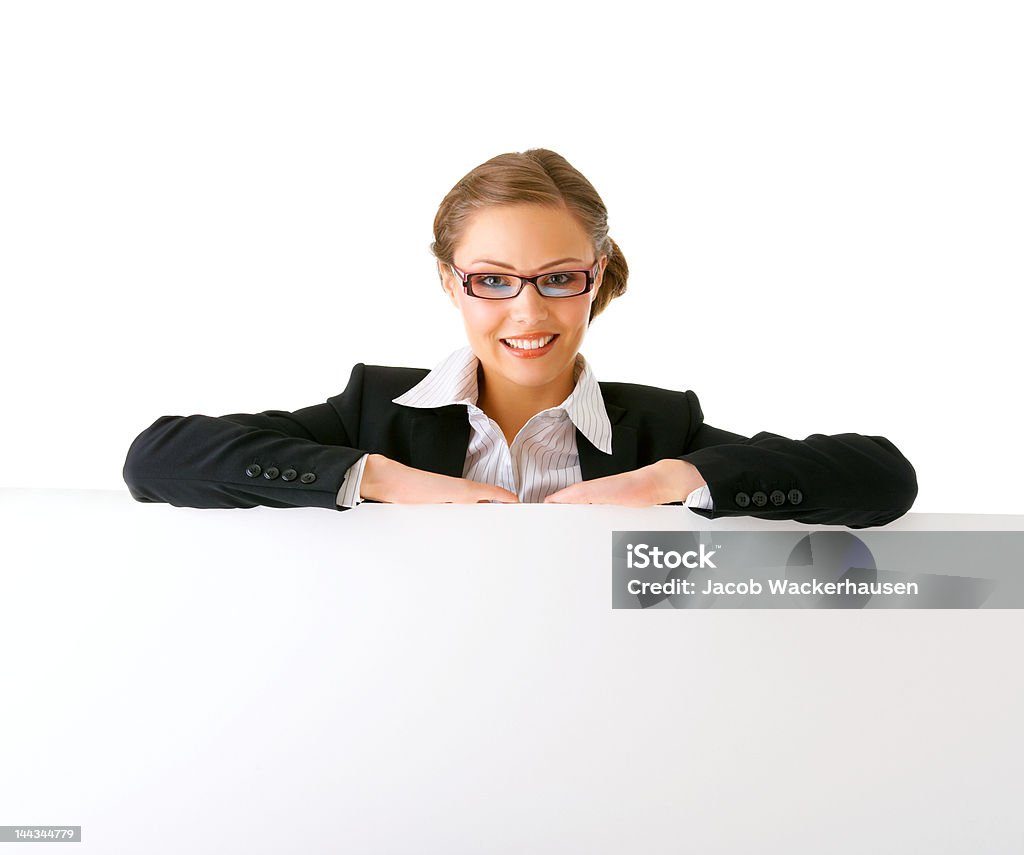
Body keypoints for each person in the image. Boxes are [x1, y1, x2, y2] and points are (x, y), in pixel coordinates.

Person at [122, 148, 918, 528]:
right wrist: (387, 479)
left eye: (558, 277)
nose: (528, 313)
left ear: (597, 276)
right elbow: (158, 457)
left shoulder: (659, 428)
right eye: (493, 280)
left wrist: (665, 478)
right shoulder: (373, 411)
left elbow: (883, 479)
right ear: (449, 282)